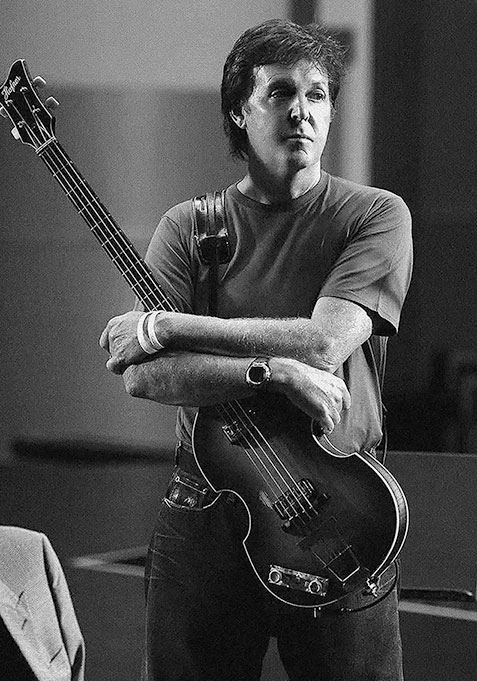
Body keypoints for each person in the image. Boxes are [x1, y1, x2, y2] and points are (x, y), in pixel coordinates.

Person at [100, 18, 413, 681]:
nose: (302, 111)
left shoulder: (375, 215)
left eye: (317, 94)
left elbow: (324, 341)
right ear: (239, 112)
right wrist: (269, 372)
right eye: (279, 93)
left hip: (337, 510)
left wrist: (168, 326)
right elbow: (145, 378)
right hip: (206, 514)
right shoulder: (189, 228)